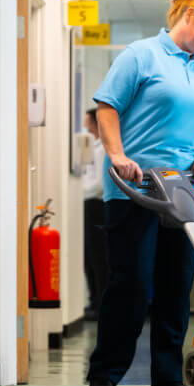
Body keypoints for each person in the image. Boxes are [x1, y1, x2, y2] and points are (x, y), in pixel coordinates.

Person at [86, 0, 194, 386]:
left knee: (175, 286)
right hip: (137, 189)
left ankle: (167, 378)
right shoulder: (141, 55)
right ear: (189, 14)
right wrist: (116, 154)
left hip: (185, 191)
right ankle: (105, 374)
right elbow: (106, 106)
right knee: (130, 284)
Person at [82, 107, 108, 321]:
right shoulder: (93, 147)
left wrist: (79, 191)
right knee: (89, 256)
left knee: (99, 256)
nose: (85, 126)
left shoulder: (102, 150)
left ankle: (101, 304)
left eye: (88, 122)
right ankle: (94, 301)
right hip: (88, 203)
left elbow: (99, 184)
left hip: (97, 205)